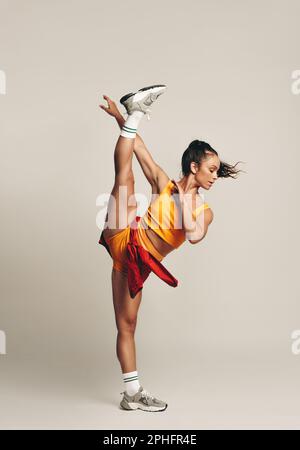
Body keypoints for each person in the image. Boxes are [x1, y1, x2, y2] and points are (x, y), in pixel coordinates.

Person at [98, 85, 242, 412]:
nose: (215, 177)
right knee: (126, 179)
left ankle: (131, 393)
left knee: (126, 325)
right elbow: (140, 149)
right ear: (194, 167)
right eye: (211, 170)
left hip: (137, 264)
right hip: (125, 236)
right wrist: (122, 118)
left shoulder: (204, 212)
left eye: (217, 172)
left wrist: (182, 202)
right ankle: (135, 110)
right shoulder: (164, 184)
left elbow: (192, 235)